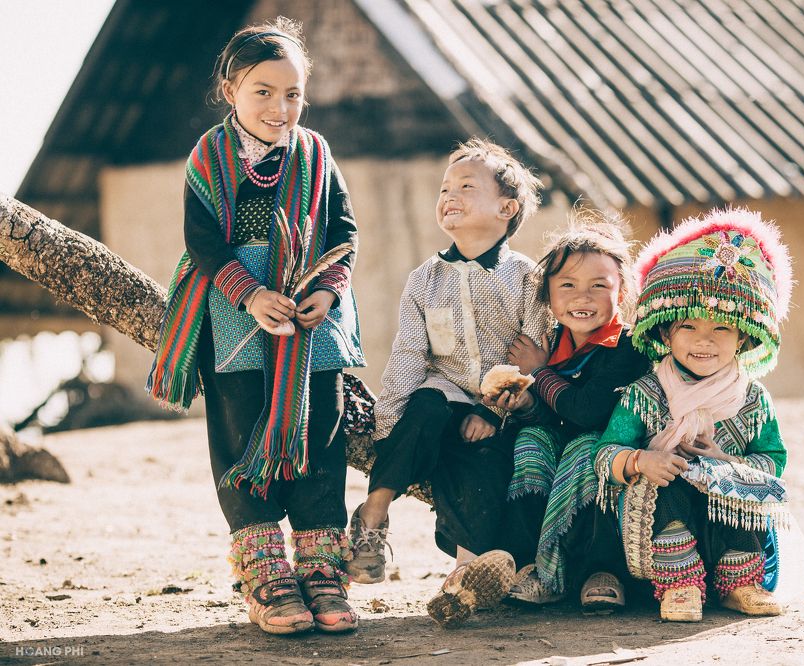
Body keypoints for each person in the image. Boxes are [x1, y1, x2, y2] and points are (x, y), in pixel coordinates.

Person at [147, 18, 365, 635]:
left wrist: (326, 289)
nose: (280, 107)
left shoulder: (316, 154)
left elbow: (343, 233)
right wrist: (251, 295)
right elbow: (203, 243)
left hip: (310, 319)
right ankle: (268, 575)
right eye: (263, 91)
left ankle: (322, 572)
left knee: (320, 433)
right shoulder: (209, 157)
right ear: (230, 90)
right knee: (240, 432)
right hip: (233, 313)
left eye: (293, 93)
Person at [345, 138, 549, 627]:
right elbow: (409, 356)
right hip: (443, 395)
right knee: (426, 405)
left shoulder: (527, 278)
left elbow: (534, 354)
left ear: (506, 208)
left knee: (476, 462)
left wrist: (492, 411)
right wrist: (387, 428)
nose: (449, 196)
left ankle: (464, 575)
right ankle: (373, 514)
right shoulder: (424, 280)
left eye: (466, 187)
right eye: (444, 188)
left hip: (504, 409)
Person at [592, 207, 796, 622]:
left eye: (721, 329)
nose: (704, 341)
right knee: (670, 479)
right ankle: (679, 585)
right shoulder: (644, 394)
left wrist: (726, 463)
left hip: (729, 525)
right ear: (665, 333)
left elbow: (774, 460)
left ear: (743, 339)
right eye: (688, 327)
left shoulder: (753, 399)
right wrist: (642, 461)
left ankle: (740, 583)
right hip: (663, 526)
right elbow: (605, 452)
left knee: (738, 482)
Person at [483, 214, 649, 613]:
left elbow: (587, 413)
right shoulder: (550, 342)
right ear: (547, 294)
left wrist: (539, 372)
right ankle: (533, 567)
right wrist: (526, 406)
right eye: (567, 285)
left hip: (611, 454)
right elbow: (552, 418)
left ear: (622, 290)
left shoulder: (628, 346)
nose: (582, 297)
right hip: (562, 448)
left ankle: (601, 571)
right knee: (530, 440)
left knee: (586, 448)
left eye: (599, 286)